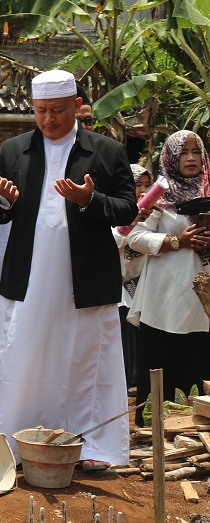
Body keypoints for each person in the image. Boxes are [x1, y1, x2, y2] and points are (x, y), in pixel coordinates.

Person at [0, 69, 137, 471]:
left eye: (58, 111)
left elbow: (128, 208)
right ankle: (13, 437)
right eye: (41, 111)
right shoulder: (13, 149)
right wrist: (3, 202)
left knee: (83, 357)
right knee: (21, 352)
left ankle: (93, 444)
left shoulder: (107, 151)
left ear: (77, 107)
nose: (49, 120)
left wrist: (89, 200)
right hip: (29, 274)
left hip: (85, 277)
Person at [127, 131, 210, 424]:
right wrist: (178, 241)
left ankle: (195, 426)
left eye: (196, 152)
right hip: (166, 296)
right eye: (183, 152)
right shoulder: (159, 193)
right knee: (162, 355)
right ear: (171, 158)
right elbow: (134, 236)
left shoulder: (209, 188)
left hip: (203, 296)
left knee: (200, 355)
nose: (190, 158)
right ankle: (154, 429)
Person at [112, 165, 153, 395]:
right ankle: (127, 379)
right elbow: (114, 240)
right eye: (138, 185)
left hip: (143, 287)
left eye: (148, 185)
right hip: (119, 289)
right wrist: (132, 223)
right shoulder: (114, 213)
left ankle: (137, 378)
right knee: (123, 334)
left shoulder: (155, 214)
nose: (143, 190)